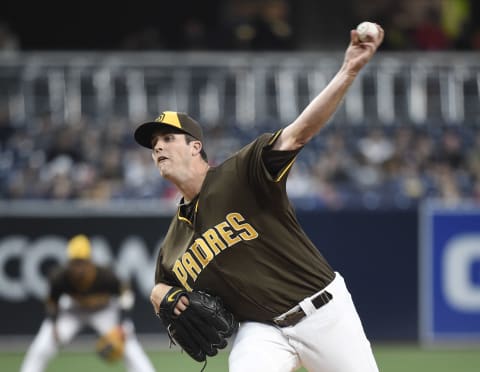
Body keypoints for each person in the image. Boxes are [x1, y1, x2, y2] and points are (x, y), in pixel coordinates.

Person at [138, 24, 384, 372]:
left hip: (322, 311)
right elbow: (162, 286)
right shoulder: (172, 244)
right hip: (262, 331)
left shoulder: (241, 172)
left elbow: (299, 133)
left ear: (195, 147)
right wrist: (157, 295)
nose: (158, 146)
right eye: (153, 144)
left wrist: (349, 70)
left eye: (167, 138)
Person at [20, 234, 156, 372]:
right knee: (43, 344)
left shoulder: (105, 276)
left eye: (82, 262)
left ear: (90, 261)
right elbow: (52, 301)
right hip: (73, 311)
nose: (78, 268)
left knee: (128, 344)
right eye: (74, 263)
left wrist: (123, 323)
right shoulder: (60, 277)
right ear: (69, 263)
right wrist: (53, 323)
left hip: (103, 311)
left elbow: (126, 295)